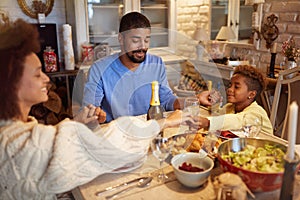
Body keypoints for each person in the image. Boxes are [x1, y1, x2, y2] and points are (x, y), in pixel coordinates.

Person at [0, 18, 198, 199]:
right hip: (130, 142)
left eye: (147, 40)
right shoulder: (18, 144)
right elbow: (109, 141)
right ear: (11, 83)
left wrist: (77, 123)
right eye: (37, 74)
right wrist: (166, 121)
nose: (46, 79)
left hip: (141, 142)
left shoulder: (20, 130)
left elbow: (56, 139)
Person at [82, 12, 186, 122]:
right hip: (115, 133)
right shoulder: (99, 69)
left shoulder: (157, 63)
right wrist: (95, 114)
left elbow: (166, 100)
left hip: (149, 130)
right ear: (121, 38)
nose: (143, 46)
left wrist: (193, 101)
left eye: (146, 40)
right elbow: (89, 110)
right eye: (135, 41)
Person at [195, 65, 273, 135]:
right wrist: (214, 104)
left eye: (236, 87)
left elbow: (237, 121)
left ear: (251, 94)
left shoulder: (256, 113)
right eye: (230, 85)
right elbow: (218, 115)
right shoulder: (230, 107)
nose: (230, 89)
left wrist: (207, 122)